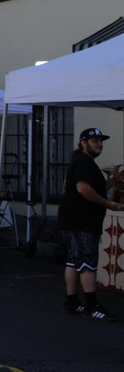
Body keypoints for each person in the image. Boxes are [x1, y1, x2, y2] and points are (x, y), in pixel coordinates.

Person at [59, 128, 124, 321]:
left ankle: (71, 301)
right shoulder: (83, 161)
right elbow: (83, 188)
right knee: (87, 261)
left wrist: (114, 180)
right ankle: (91, 305)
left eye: (100, 141)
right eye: (94, 140)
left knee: (73, 260)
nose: (99, 144)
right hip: (82, 219)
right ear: (83, 142)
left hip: (73, 219)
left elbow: (95, 187)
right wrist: (108, 203)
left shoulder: (84, 162)